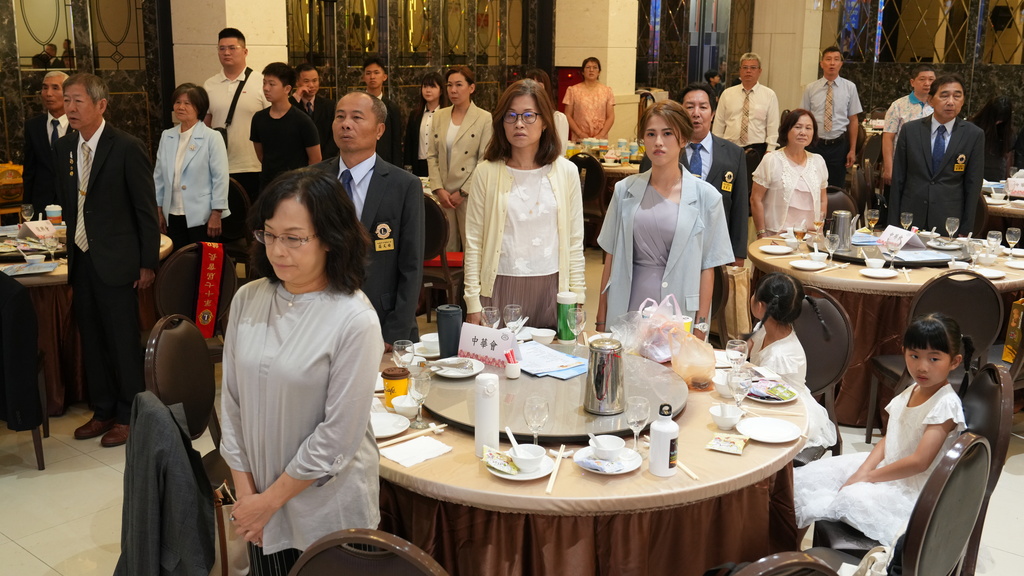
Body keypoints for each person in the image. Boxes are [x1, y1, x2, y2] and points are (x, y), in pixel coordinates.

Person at [221, 168, 382, 572]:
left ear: (329, 238)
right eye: (269, 234)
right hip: (258, 506)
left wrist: (268, 503)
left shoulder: (354, 318)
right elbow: (232, 403)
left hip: (327, 511)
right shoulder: (248, 299)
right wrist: (248, 498)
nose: (278, 250)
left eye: (293, 238)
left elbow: (337, 436)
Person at [794, 313, 970, 545]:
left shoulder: (945, 404)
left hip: (911, 486)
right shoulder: (913, 388)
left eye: (934, 359)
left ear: (954, 362)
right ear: (904, 351)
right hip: (888, 467)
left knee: (847, 497)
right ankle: (789, 549)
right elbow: (891, 438)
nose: (922, 367)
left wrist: (869, 477)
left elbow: (920, 462)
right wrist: (864, 470)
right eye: (914, 356)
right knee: (811, 478)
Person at [57, 73, 160, 448]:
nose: (70, 108)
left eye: (78, 100)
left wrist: (147, 262)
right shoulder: (65, 148)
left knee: (121, 341)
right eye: (67, 100)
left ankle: (129, 414)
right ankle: (102, 411)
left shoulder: (127, 147)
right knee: (93, 338)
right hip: (82, 259)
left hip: (118, 261)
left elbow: (145, 209)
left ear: (101, 105)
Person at [596, 100, 733, 339]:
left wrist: (700, 327)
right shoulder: (624, 190)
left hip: (678, 308)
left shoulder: (707, 197)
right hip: (627, 304)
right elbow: (611, 258)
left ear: (683, 139)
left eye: (667, 133)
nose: (658, 142)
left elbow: (708, 268)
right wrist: (601, 319)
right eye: (651, 134)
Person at [463, 79, 585, 329]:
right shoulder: (486, 172)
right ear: (502, 122)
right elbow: (474, 242)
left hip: (552, 287)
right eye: (511, 116)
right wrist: (472, 301)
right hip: (499, 285)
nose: (519, 123)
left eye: (529, 115)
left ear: (545, 122)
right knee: (500, 354)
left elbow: (575, 241)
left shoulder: (566, 172)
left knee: (552, 352)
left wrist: (578, 296)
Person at [315, 91, 424, 348]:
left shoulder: (404, 185)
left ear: (379, 130)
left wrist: (394, 332)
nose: (345, 124)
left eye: (356, 117)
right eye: (340, 117)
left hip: (383, 319)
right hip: (321, 320)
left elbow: (412, 264)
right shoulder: (313, 179)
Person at [640, 83, 749, 263]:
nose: (696, 113)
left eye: (703, 107)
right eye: (689, 107)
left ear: (713, 114)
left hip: (716, 249)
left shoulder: (733, 154)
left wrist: (737, 256)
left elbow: (739, 209)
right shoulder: (659, 153)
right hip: (668, 250)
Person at [747, 272, 837, 449]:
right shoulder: (765, 327)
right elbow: (744, 348)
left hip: (786, 413)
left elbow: (767, 400)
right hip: (764, 395)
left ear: (760, 306)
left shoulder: (779, 356)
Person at [888, 73, 984, 232]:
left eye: (957, 96)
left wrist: (966, 229)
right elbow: (898, 179)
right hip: (910, 217)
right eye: (944, 96)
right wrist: (892, 224)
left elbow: (973, 185)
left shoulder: (973, 134)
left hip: (949, 220)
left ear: (963, 101)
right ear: (930, 100)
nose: (951, 102)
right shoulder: (910, 130)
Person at [154, 83, 230, 249]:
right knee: (176, 259)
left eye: (187, 103)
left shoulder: (212, 137)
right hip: (171, 213)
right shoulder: (167, 136)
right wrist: (158, 210)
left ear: (199, 107)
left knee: (202, 260)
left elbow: (220, 178)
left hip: (203, 215)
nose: (181, 107)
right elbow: (158, 177)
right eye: (178, 102)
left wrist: (216, 213)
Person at [427, 66, 493, 251]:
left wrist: (463, 192)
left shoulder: (484, 118)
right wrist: (438, 188)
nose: (453, 90)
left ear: (471, 88)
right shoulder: (439, 116)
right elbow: (432, 155)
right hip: (444, 194)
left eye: (458, 85)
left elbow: (484, 160)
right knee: (446, 245)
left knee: (472, 246)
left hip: (469, 194)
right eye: (449, 85)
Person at [204, 28, 270, 199]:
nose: (226, 52)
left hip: (254, 166)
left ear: (245, 51)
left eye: (232, 48)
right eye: (222, 48)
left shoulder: (261, 82)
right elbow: (206, 125)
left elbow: (272, 122)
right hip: (220, 166)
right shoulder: (210, 84)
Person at [751, 109, 828, 238]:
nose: (803, 132)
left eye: (808, 128)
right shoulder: (771, 160)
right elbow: (756, 199)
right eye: (798, 127)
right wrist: (761, 233)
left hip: (810, 236)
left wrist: (819, 230)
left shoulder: (818, 161)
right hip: (775, 236)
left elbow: (823, 200)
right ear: (787, 130)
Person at [249, 62, 321, 195]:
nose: (266, 88)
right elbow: (261, 155)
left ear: (287, 89)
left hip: (296, 187)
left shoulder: (302, 120)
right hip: (268, 186)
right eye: (264, 83)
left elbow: (315, 159)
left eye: (272, 84)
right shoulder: (259, 118)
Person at [802, 46, 863, 189]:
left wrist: (852, 149)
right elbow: (803, 118)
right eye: (828, 59)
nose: (832, 63)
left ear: (841, 64)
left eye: (836, 59)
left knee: (836, 188)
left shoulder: (850, 87)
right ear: (821, 63)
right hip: (814, 144)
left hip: (839, 145)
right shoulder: (811, 88)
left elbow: (853, 120)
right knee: (811, 186)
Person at [712, 52, 780, 171]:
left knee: (752, 182)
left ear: (760, 71)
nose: (748, 71)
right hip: (730, 148)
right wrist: (717, 148)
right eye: (745, 67)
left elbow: (772, 126)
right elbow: (719, 124)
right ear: (740, 70)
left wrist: (770, 151)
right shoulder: (727, 94)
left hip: (757, 150)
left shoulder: (769, 95)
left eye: (753, 68)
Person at [24, 71, 72, 216]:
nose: (48, 93)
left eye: (55, 88)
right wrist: (27, 206)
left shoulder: (80, 125)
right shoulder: (33, 126)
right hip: (41, 205)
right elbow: (29, 170)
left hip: (72, 201)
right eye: (45, 88)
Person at [881, 64, 935, 185]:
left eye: (931, 79)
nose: (927, 83)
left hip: (931, 167)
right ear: (912, 82)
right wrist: (889, 168)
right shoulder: (898, 106)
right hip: (903, 164)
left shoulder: (939, 106)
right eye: (922, 79)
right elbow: (888, 138)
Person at [291, 63, 339, 159]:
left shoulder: (330, 106)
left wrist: (322, 159)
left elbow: (335, 135)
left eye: (314, 80)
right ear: (297, 82)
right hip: (298, 160)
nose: (311, 85)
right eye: (306, 81)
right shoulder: (291, 105)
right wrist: (296, 97)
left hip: (325, 160)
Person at [403, 71, 446, 177]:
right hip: (418, 165)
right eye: (425, 86)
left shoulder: (447, 114)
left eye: (432, 86)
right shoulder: (415, 115)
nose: (428, 90)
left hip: (440, 165)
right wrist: (407, 167)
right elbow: (409, 143)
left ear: (441, 91)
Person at [362, 57, 403, 165]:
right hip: (360, 160)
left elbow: (396, 143)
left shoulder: (391, 108)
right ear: (363, 77)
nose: (372, 77)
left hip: (385, 163)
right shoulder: (357, 105)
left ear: (384, 77)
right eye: (368, 73)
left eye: (376, 73)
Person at [563, 57, 615, 140]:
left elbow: (611, 116)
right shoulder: (573, 90)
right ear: (583, 72)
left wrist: (601, 135)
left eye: (595, 67)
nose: (591, 70)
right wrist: (580, 133)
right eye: (588, 67)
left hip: (600, 139)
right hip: (579, 138)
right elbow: (568, 115)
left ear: (599, 72)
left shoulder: (607, 91)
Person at [525, 68, 570, 154]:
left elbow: (560, 151)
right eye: (531, 84)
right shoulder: (520, 117)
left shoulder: (557, 118)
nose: (535, 88)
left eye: (539, 84)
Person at [969, 95, 1014, 181]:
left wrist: (1007, 179)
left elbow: (1007, 155)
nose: (998, 122)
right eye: (996, 118)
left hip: (998, 176)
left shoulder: (1006, 131)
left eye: (1002, 120)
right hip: (976, 174)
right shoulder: (973, 127)